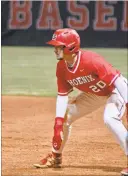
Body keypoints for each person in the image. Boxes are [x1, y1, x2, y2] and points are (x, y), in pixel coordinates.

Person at [34, 28, 128, 175]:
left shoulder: (91, 60)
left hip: (115, 92)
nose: (55, 49)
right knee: (65, 117)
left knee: (109, 118)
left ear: (71, 47)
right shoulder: (61, 67)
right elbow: (62, 95)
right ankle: (56, 156)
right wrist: (58, 123)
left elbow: (120, 82)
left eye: (59, 46)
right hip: (93, 94)